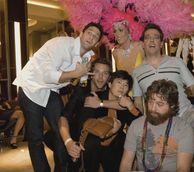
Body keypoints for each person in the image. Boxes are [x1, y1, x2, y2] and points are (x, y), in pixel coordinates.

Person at [132, 23, 194, 172]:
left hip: (187, 113)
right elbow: (138, 100)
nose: (152, 41)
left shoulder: (176, 62)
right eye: (147, 38)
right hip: (161, 121)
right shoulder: (137, 72)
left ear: (161, 42)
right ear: (143, 43)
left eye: (156, 38)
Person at [13, 22, 103, 172]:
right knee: (35, 137)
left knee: (61, 129)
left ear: (97, 42)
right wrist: (75, 74)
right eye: (89, 32)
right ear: (81, 33)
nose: (92, 37)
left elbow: (82, 82)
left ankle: (62, 169)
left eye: (96, 36)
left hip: (51, 91)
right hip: (31, 87)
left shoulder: (87, 57)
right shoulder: (61, 45)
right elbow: (48, 76)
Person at [61, 70, 142, 172]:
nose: (122, 87)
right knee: (91, 144)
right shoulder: (95, 96)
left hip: (114, 142)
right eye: (119, 83)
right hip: (94, 140)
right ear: (109, 84)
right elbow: (85, 122)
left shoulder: (127, 101)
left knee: (123, 141)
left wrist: (130, 106)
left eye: (126, 85)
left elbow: (140, 123)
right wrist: (108, 129)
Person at [120, 79, 194, 172]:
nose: (153, 108)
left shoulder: (184, 129)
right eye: (151, 102)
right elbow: (126, 164)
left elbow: (183, 169)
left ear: (172, 106)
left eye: (160, 104)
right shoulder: (136, 125)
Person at [55, 58, 111, 171]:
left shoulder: (111, 92)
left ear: (109, 76)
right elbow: (64, 116)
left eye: (105, 73)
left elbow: (124, 103)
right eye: (97, 72)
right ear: (91, 74)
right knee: (59, 143)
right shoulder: (81, 90)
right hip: (77, 131)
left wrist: (101, 103)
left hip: (101, 133)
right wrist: (68, 142)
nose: (100, 77)